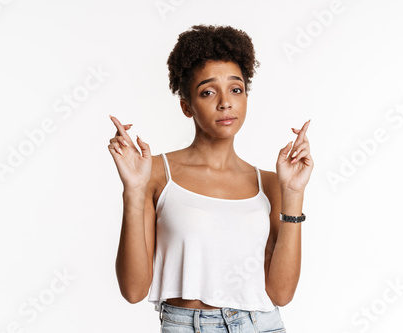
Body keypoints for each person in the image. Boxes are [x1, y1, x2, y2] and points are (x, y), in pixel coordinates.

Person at [108, 24, 314, 333]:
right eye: (208, 92)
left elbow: (281, 294)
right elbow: (133, 290)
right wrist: (133, 191)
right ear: (186, 106)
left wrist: (294, 192)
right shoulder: (153, 173)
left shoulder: (272, 183)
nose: (225, 102)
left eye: (236, 89)